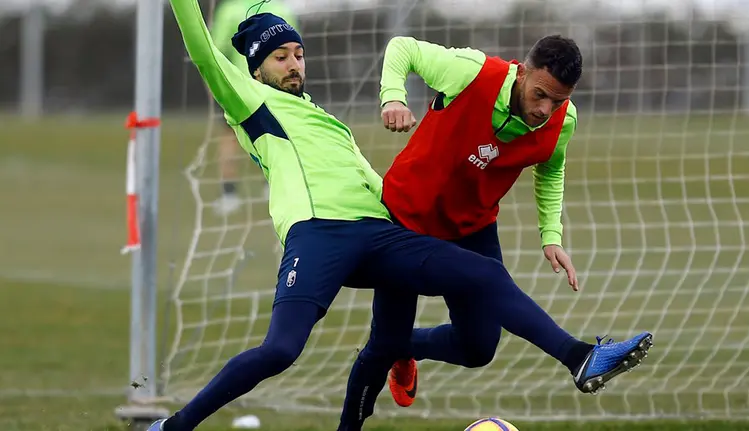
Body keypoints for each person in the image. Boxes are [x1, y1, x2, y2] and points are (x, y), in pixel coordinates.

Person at [153, 1, 652, 429]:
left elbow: (372, 184)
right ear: (256, 68)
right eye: (281, 57)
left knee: (479, 277)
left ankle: (581, 356)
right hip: (317, 237)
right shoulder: (248, 100)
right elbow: (201, 47)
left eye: (299, 55)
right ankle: (174, 426)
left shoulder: (328, 122)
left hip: (380, 233)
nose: (294, 64)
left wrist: (544, 233)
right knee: (281, 351)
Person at [335, 35, 654, 430]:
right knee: (382, 346)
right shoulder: (471, 72)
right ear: (522, 72)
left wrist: (551, 235)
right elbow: (402, 47)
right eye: (539, 95)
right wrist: (393, 98)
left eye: (557, 101)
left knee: (478, 347)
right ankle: (580, 356)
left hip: (472, 226)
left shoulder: (562, 119)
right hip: (406, 219)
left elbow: (551, 167)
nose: (545, 109)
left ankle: (407, 346)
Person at [209, 0, 299, 216]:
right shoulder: (281, 10)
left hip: (238, 86)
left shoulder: (230, 10)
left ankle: (229, 195)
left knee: (230, 137)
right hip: (274, 84)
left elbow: (217, 48)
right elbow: (294, 48)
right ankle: (273, 187)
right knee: (275, 135)